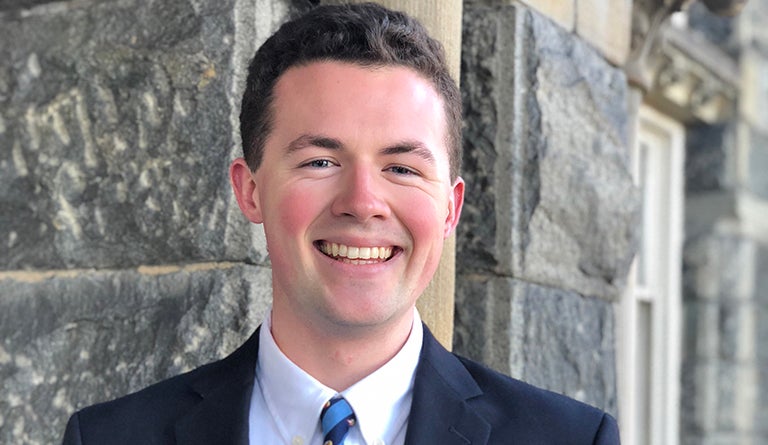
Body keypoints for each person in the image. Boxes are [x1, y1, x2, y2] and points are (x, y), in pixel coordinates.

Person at [62, 3, 620, 444]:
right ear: (249, 190)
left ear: (450, 209)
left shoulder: (571, 439)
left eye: (401, 167)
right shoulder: (109, 437)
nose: (363, 201)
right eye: (320, 162)